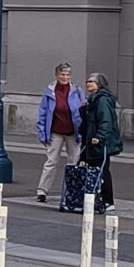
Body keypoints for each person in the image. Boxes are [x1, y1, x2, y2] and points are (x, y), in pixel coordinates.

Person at [34, 62, 85, 204]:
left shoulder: (77, 90)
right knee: (51, 161)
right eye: (62, 74)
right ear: (56, 75)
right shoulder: (50, 91)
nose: (65, 77)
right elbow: (43, 113)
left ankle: (72, 190)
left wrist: (82, 130)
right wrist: (42, 133)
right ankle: (42, 191)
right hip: (55, 131)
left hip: (73, 132)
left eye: (68, 74)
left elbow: (82, 111)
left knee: (74, 162)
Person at [78, 72, 123, 211]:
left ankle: (107, 200)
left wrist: (100, 136)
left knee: (102, 170)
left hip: (98, 142)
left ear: (99, 84)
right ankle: (95, 198)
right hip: (91, 140)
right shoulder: (93, 99)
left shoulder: (102, 100)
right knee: (93, 169)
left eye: (91, 81)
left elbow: (105, 120)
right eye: (87, 81)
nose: (88, 83)